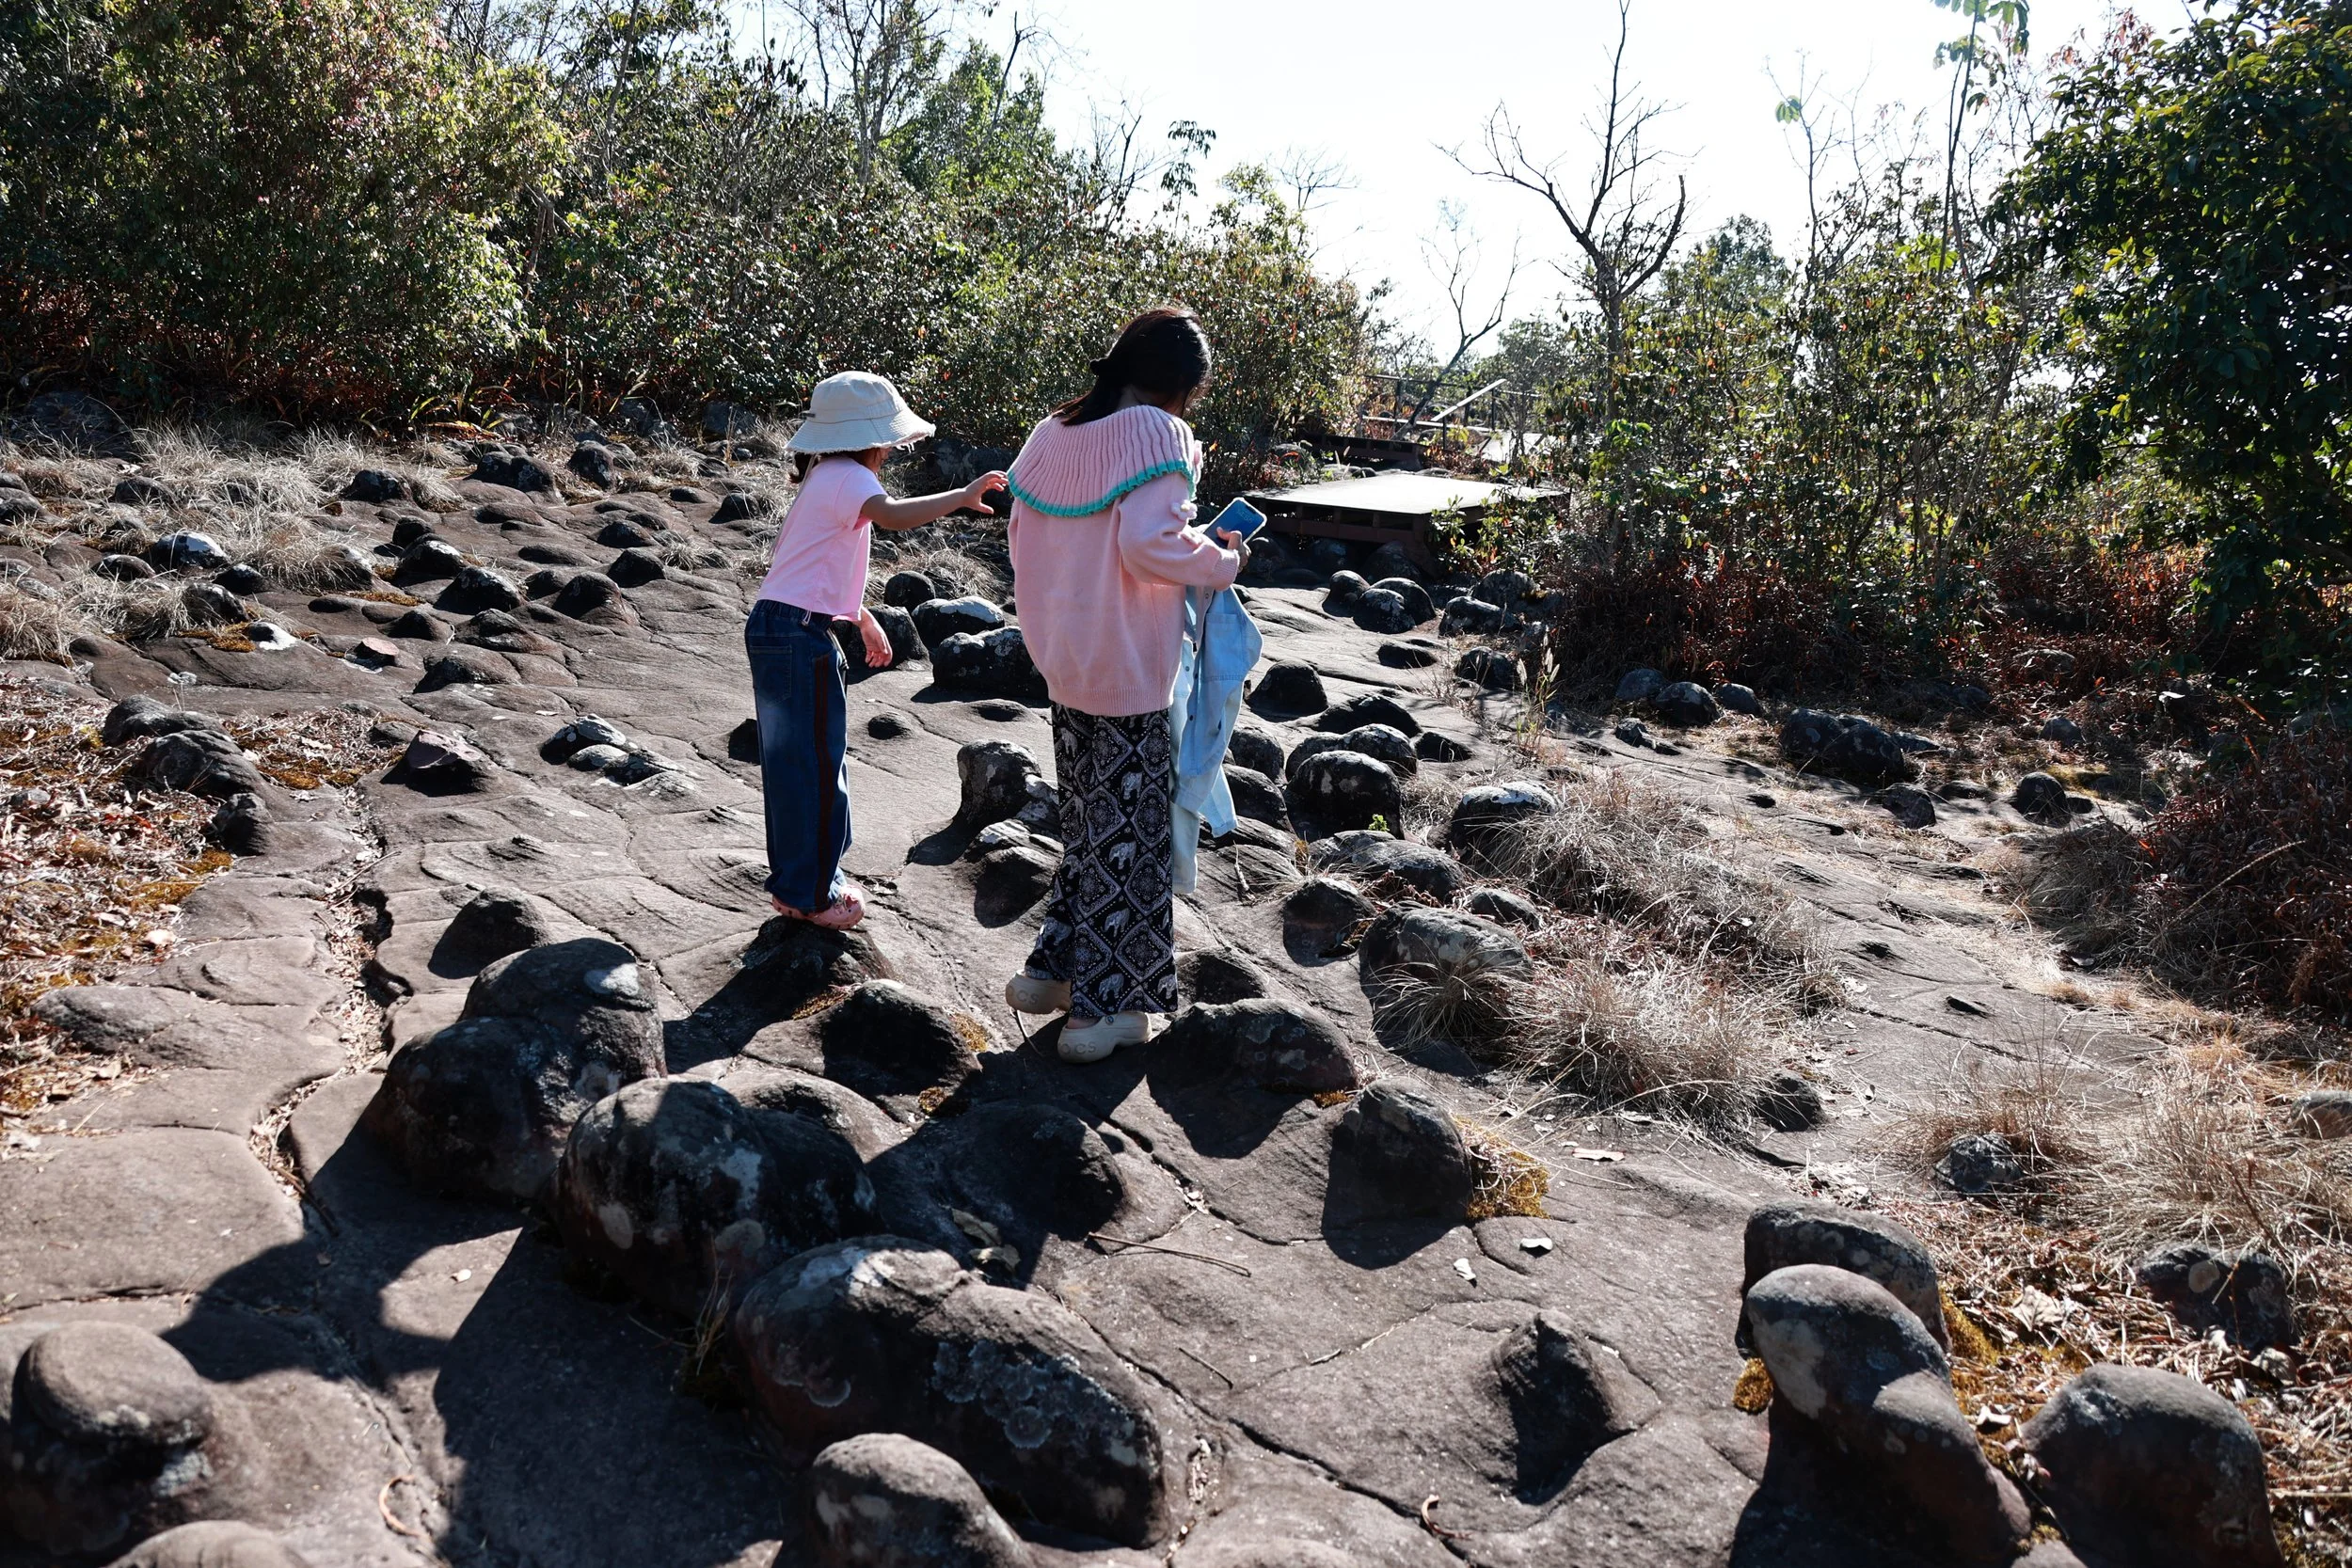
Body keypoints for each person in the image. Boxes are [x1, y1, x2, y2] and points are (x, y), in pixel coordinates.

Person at [999, 306, 1247, 1062]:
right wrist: (1221, 561)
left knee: (1089, 826)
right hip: (1129, 670)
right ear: (1181, 389)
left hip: (1064, 660)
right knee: (1132, 841)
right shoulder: (1160, 437)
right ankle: (1101, 1014)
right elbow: (1147, 543)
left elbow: (1022, 534)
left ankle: (1053, 973)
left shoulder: (1052, 434)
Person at [749, 371, 1005, 929]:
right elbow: (891, 516)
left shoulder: (821, 477)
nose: (891, 448)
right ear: (871, 439)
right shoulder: (846, 477)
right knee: (817, 766)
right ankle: (814, 895)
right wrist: (961, 497)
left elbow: (808, 571)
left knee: (794, 766)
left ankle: (797, 886)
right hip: (798, 635)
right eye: (887, 438)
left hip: (777, 625)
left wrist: (862, 617)